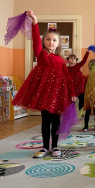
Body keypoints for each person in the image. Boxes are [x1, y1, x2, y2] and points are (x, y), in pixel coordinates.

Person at [12, 10, 76, 158]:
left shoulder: (61, 61)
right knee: (46, 120)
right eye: (48, 39)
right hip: (45, 95)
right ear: (44, 41)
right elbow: (35, 39)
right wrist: (35, 22)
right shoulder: (41, 55)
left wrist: (72, 92)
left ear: (58, 43)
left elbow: (67, 77)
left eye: (54, 40)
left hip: (58, 95)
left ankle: (54, 146)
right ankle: (45, 147)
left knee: (56, 121)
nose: (51, 42)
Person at [81, 59, 95, 132]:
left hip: (93, 93)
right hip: (90, 93)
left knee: (91, 110)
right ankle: (92, 126)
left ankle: (88, 126)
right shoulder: (90, 75)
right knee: (92, 110)